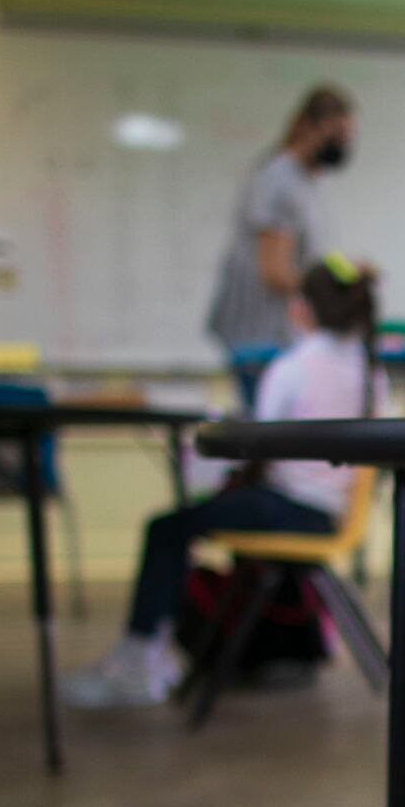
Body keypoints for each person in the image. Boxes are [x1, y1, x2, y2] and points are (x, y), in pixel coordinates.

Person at [68, 257, 378, 708]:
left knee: (167, 528)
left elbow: (259, 449)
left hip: (288, 509)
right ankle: (159, 652)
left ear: (300, 309)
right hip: (335, 515)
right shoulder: (370, 370)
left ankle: (141, 658)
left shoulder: (294, 367)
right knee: (197, 518)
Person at [206, 86, 356, 411]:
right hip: (260, 339)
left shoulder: (307, 181)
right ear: (307, 126)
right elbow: (274, 271)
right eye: (337, 133)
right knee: (269, 435)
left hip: (278, 338)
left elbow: (312, 258)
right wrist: (334, 292)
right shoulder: (280, 181)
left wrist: (345, 275)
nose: (343, 143)